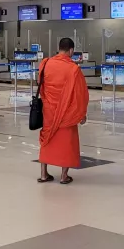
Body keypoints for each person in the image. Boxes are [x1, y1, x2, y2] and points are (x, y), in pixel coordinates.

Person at [37, 37, 90, 185]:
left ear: (59, 48)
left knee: (47, 140)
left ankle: (43, 174)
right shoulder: (73, 69)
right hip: (67, 113)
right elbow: (80, 94)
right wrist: (81, 113)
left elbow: (41, 86)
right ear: (71, 50)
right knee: (67, 143)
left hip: (48, 110)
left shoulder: (46, 63)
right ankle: (63, 176)